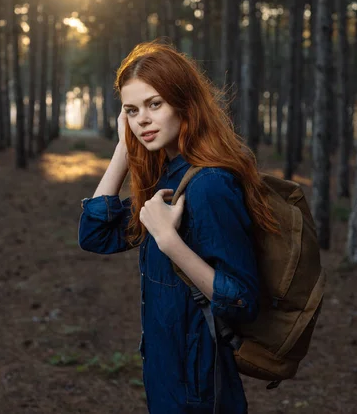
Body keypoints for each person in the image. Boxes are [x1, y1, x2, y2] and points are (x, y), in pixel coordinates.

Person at [78, 41, 278, 414]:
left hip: (199, 392)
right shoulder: (167, 178)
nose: (143, 120)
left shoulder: (210, 184)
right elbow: (95, 235)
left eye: (155, 104)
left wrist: (170, 241)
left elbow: (242, 299)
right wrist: (123, 149)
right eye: (131, 111)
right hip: (166, 377)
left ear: (184, 103)